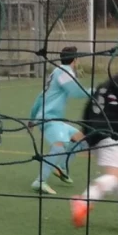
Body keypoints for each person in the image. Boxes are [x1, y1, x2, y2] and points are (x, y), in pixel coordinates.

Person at [72, 47, 118, 233]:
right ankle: (84, 200)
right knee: (115, 176)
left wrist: (85, 133)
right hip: (109, 135)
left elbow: (90, 106)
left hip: (97, 133)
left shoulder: (107, 82)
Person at [28, 46, 90, 194]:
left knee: (82, 140)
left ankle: (61, 167)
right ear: (75, 59)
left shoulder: (56, 71)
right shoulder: (64, 73)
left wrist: (31, 118)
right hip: (49, 118)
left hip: (53, 119)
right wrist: (97, 91)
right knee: (59, 147)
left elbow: (40, 96)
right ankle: (40, 181)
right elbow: (76, 92)